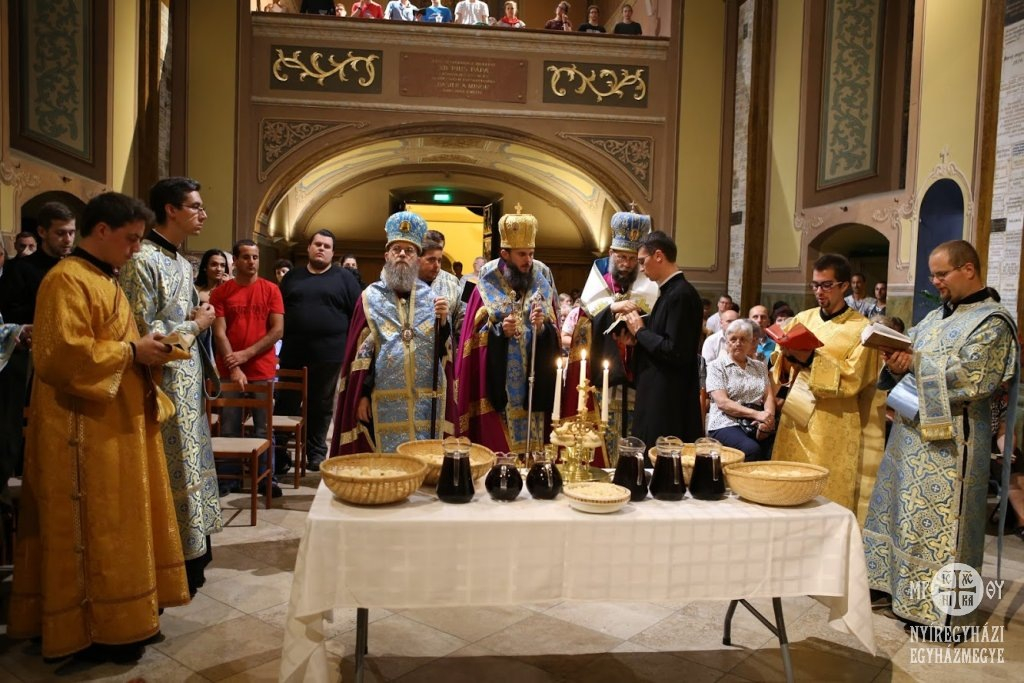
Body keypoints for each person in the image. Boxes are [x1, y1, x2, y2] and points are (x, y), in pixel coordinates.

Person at [8, 192, 189, 662]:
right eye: (131, 239)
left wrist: (149, 348)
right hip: (81, 432)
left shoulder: (103, 277)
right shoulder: (66, 279)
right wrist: (132, 352)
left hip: (113, 425)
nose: (136, 249)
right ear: (103, 230)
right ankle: (90, 629)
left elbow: (114, 342)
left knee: (119, 523)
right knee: (93, 528)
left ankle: (123, 619)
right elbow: (59, 356)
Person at [864, 240, 1018, 636]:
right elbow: (909, 360)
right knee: (906, 521)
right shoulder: (934, 317)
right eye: (932, 275)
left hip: (953, 445)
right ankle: (900, 594)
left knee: (943, 530)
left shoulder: (993, 322)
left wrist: (913, 361)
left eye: (941, 274)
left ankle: (942, 616)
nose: (935, 282)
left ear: (968, 269)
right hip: (909, 437)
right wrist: (894, 360)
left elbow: (974, 378)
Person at [120, 177, 223, 597]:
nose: (203, 214)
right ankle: (169, 560)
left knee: (191, 464)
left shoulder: (182, 263)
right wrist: (196, 324)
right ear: (170, 210)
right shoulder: (141, 260)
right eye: (195, 206)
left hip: (188, 383)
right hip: (160, 386)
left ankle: (193, 557)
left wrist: (198, 321)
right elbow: (142, 333)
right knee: (170, 470)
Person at [770, 253, 884, 519]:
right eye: (815, 285)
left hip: (834, 422)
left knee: (825, 492)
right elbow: (779, 364)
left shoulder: (862, 329)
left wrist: (810, 359)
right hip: (795, 417)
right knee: (789, 483)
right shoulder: (802, 318)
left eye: (826, 285)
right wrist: (786, 356)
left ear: (844, 286)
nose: (819, 292)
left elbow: (854, 378)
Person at [332, 211, 454, 453]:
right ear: (386, 255)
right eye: (396, 249)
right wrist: (362, 395)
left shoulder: (432, 299)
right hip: (382, 399)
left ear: (417, 259)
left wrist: (443, 324)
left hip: (424, 401)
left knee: (423, 458)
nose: (402, 254)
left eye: (409, 251)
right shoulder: (369, 298)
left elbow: (443, 355)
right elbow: (361, 356)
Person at [456, 205, 560, 453]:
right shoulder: (486, 284)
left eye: (531, 254)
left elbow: (553, 332)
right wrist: (500, 332)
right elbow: (472, 338)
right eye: (522, 254)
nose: (528, 261)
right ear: (505, 254)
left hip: (533, 384)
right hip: (499, 386)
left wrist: (542, 328)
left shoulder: (542, 280)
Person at [563, 208, 659, 464]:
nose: (627, 264)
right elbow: (582, 329)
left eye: (633, 259)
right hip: (601, 380)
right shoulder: (598, 285)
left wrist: (637, 337)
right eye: (621, 257)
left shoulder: (650, 287)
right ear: (611, 253)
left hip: (636, 378)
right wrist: (611, 309)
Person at [0, 202, 76, 496]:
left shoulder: (76, 268)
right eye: (61, 233)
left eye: (71, 233)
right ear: (42, 232)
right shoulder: (20, 269)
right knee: (11, 425)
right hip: (26, 355)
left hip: (66, 356)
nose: (67, 239)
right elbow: (8, 310)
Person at [277, 230, 362, 471]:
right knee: (285, 404)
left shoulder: (345, 278)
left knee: (321, 406)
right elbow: (279, 311)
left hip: (330, 355)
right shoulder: (292, 277)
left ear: (333, 252)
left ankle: (315, 453)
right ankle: (279, 455)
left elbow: (357, 315)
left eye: (326, 246)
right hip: (293, 353)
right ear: (309, 247)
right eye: (317, 244)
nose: (321, 248)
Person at [210, 239, 285, 496]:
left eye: (255, 257)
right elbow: (219, 332)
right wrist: (234, 366)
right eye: (245, 257)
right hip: (229, 369)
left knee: (264, 427)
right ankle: (228, 478)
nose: (251, 262)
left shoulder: (271, 290)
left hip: (262, 368)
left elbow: (277, 330)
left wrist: (245, 355)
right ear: (235, 261)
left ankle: (266, 478)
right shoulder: (221, 292)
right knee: (229, 425)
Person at [618, 230, 704, 445]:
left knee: (661, 455)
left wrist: (640, 331)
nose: (640, 268)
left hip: (668, 398)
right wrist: (636, 340)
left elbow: (675, 350)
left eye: (642, 261)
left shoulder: (681, 295)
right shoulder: (669, 293)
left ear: (658, 256)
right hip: (658, 391)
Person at [706, 318, 776, 461]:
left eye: (743, 339)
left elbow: (768, 396)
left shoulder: (760, 367)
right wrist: (757, 414)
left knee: (776, 447)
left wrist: (768, 419)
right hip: (725, 423)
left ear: (751, 342)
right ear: (727, 342)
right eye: (733, 339)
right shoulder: (716, 367)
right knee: (751, 449)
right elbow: (723, 403)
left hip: (756, 422)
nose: (738, 343)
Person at [419, 229, 465, 347]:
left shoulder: (452, 282)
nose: (436, 265)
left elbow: (461, 321)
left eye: (439, 260)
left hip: (445, 349)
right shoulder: (406, 282)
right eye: (431, 259)